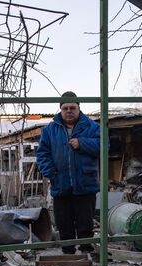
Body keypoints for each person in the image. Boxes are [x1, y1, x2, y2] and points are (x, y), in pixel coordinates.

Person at [37, 91, 100, 254]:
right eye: (65, 108)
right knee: (64, 223)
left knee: (85, 222)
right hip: (60, 182)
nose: (69, 111)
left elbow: (104, 146)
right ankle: (68, 254)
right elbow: (42, 153)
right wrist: (50, 171)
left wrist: (82, 143)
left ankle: (87, 253)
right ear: (60, 110)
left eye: (73, 107)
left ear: (79, 108)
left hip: (85, 183)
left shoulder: (92, 127)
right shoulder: (50, 130)